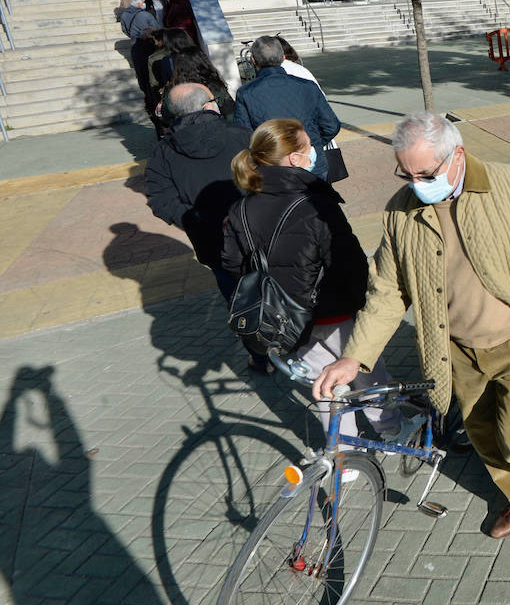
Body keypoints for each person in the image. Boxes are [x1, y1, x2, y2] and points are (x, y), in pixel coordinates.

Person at [312, 111, 510, 539]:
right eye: (405, 173)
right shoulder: (400, 213)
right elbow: (387, 292)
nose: (415, 183)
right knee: (482, 433)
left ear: (457, 154)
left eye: (425, 173)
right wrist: (355, 356)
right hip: (454, 350)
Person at [224, 118, 401, 439]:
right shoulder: (317, 203)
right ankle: (390, 432)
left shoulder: (241, 208)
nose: (315, 154)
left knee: (325, 385)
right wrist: (367, 303)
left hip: (287, 321)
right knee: (366, 373)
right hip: (336, 314)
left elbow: (233, 264)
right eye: (309, 148)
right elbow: (350, 262)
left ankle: (343, 454)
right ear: (294, 158)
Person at [144, 83, 259, 366]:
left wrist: (199, 220)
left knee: (238, 298)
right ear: (208, 106)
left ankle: (259, 355)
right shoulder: (243, 136)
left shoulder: (162, 153)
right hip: (259, 232)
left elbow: (160, 200)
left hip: (212, 243)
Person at [232, 36, 341, 182]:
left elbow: (243, 136)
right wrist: (312, 143)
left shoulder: (246, 93)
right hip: (311, 162)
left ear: (253, 61)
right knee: (318, 202)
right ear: (283, 57)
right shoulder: (308, 87)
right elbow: (331, 125)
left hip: (273, 167)